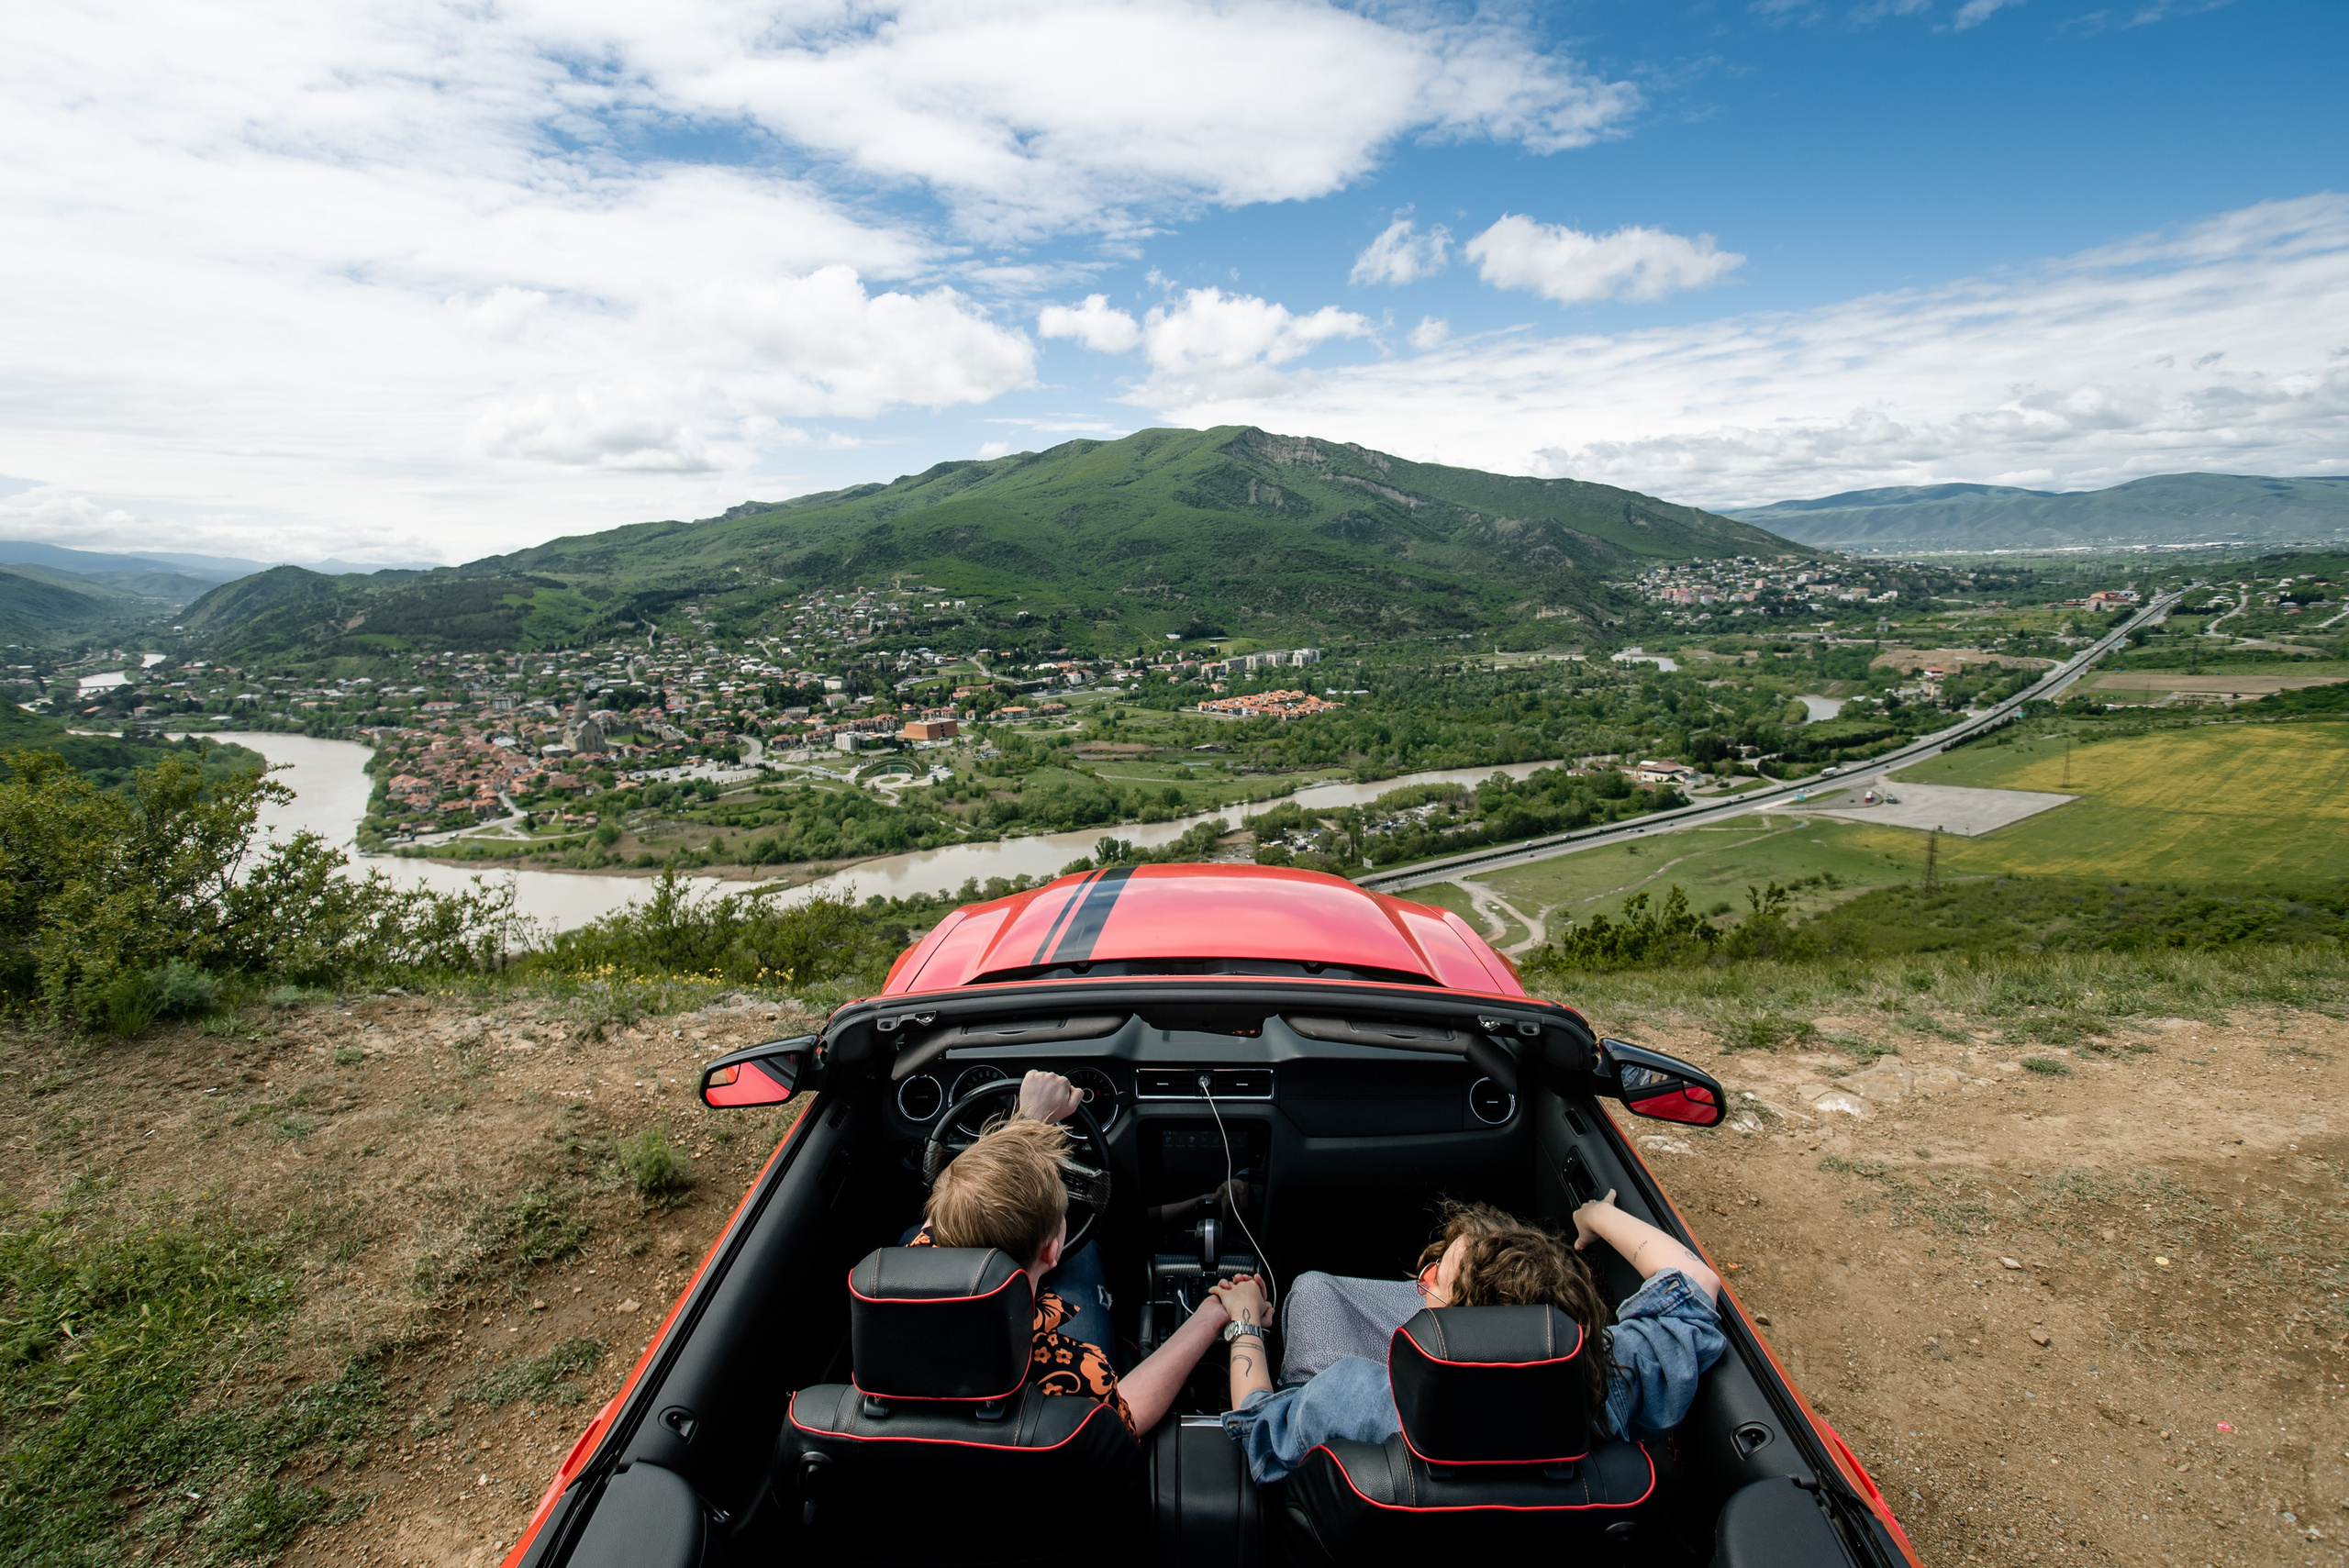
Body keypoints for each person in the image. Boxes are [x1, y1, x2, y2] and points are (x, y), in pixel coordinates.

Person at [1210, 1195, 1726, 1485]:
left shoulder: (1355, 1398)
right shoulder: (1606, 1387)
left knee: (1313, 1289)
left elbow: (1259, 1427)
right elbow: (1695, 1284)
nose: (1424, 1275)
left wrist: (1246, 1323)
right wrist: (1594, 1216)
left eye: (1438, 1278)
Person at [912, 1070, 1234, 1438]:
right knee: (1085, 1253)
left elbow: (966, 1203)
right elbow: (1126, 1417)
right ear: (1052, 1251)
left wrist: (1028, 1119)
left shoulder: (905, 1281)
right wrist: (1212, 1315)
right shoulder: (1074, 1372)